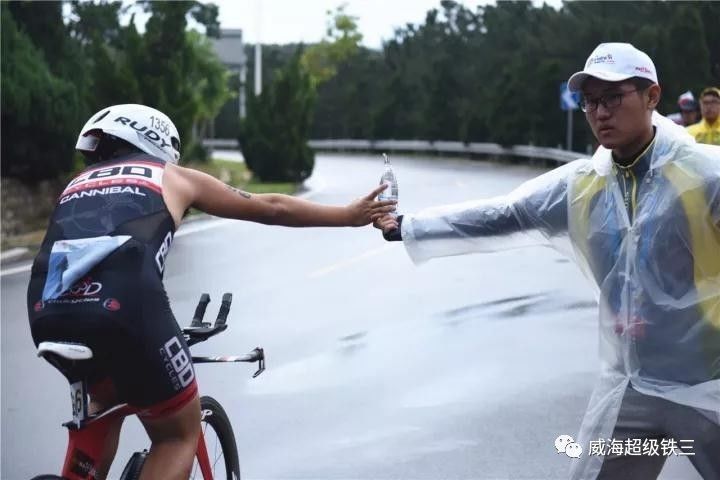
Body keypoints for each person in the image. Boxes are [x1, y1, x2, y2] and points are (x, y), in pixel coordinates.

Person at [375, 43, 720, 479]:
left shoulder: (707, 175)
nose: (600, 112)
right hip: (635, 389)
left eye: (613, 97)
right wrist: (410, 226)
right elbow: (507, 213)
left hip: (709, 386)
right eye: (590, 101)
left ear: (652, 96)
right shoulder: (583, 186)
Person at [27, 104, 396, 480]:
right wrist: (348, 216)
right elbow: (272, 207)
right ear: (158, 143)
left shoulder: (76, 183)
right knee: (176, 435)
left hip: (46, 313)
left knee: (104, 400)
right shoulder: (172, 176)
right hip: (125, 312)